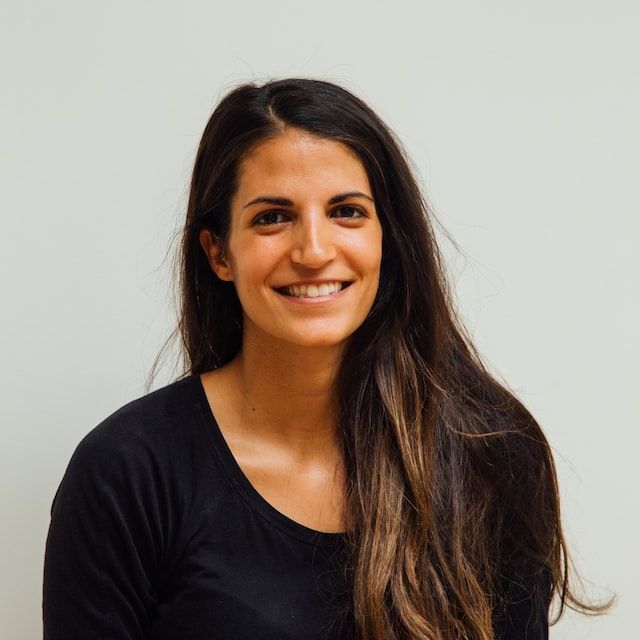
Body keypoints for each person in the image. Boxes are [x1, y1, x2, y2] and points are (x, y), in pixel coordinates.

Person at [42, 78, 612, 640]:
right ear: (219, 252)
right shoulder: (126, 474)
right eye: (272, 217)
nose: (314, 251)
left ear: (387, 237)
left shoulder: (491, 452)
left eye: (347, 212)